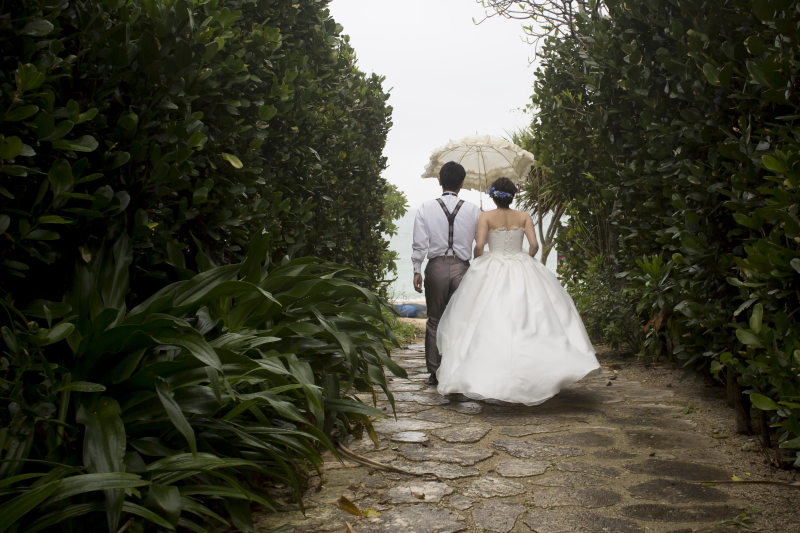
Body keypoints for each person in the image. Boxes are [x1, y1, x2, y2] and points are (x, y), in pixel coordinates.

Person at [435, 177, 601, 404]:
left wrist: (479, 258)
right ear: (512, 196)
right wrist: (525, 258)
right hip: (521, 264)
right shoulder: (524, 216)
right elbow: (534, 245)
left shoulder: (486, 216)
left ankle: (489, 373)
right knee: (533, 318)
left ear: (493, 196)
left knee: (485, 317)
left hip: (493, 265)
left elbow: (480, 246)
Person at [412, 161, 481, 386]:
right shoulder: (473, 210)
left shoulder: (425, 208)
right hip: (462, 268)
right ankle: (456, 370)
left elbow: (419, 243)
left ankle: (435, 373)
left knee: (434, 320)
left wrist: (416, 269)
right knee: (459, 321)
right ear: (462, 183)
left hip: (436, 268)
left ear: (440, 180)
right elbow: (480, 244)